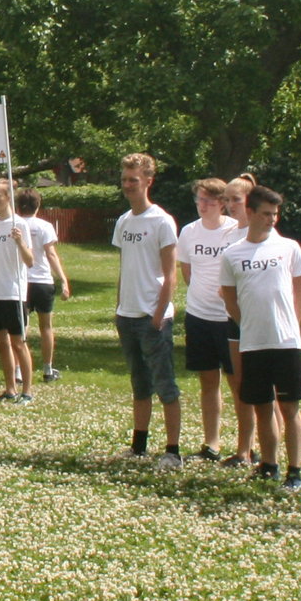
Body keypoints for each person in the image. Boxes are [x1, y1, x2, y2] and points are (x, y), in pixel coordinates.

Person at [220, 184, 301, 483]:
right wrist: (248, 324)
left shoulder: (289, 248)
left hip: (286, 342)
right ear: (251, 212)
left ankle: (295, 470)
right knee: (261, 406)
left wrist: (291, 326)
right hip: (252, 343)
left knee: (290, 406)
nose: (272, 219)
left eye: (275, 214)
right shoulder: (233, 254)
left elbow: (299, 293)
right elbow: (229, 297)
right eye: (266, 213)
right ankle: (269, 464)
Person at [111, 153, 182, 464]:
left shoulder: (162, 221)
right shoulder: (124, 222)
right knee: (139, 384)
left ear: (148, 182)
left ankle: (172, 451)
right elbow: (124, 268)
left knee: (164, 384)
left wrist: (159, 314)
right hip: (127, 316)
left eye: (134, 180)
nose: (128, 185)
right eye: (125, 179)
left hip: (153, 318)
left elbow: (170, 273)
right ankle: (139, 446)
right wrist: (118, 308)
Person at [176, 176, 243, 461]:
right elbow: (187, 270)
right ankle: (212, 443)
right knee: (208, 380)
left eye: (208, 200)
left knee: (237, 381)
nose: (202, 205)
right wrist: (201, 295)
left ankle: (246, 445)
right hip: (199, 314)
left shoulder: (234, 231)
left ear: (222, 204)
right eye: (199, 200)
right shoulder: (189, 232)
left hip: (230, 316)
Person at [0, 181, 36, 401]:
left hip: (13, 292)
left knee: (18, 343)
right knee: (1, 343)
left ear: (8, 197)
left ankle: (27, 391)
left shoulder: (20, 225)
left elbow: (30, 260)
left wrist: (20, 242)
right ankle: (10, 389)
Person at [220, 174, 258, 465]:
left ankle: (269, 451)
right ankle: (245, 449)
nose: (231, 205)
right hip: (232, 317)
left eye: (237, 199)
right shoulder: (229, 233)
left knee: (261, 387)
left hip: (257, 319)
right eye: (228, 200)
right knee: (238, 384)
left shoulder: (261, 234)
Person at [21, 189, 74, 380]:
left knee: (22, 325)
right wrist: (63, 279)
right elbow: (50, 254)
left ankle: (20, 369)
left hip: (22, 281)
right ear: (38, 205)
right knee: (46, 327)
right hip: (42, 280)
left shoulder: (15, 225)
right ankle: (47, 369)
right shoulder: (44, 226)